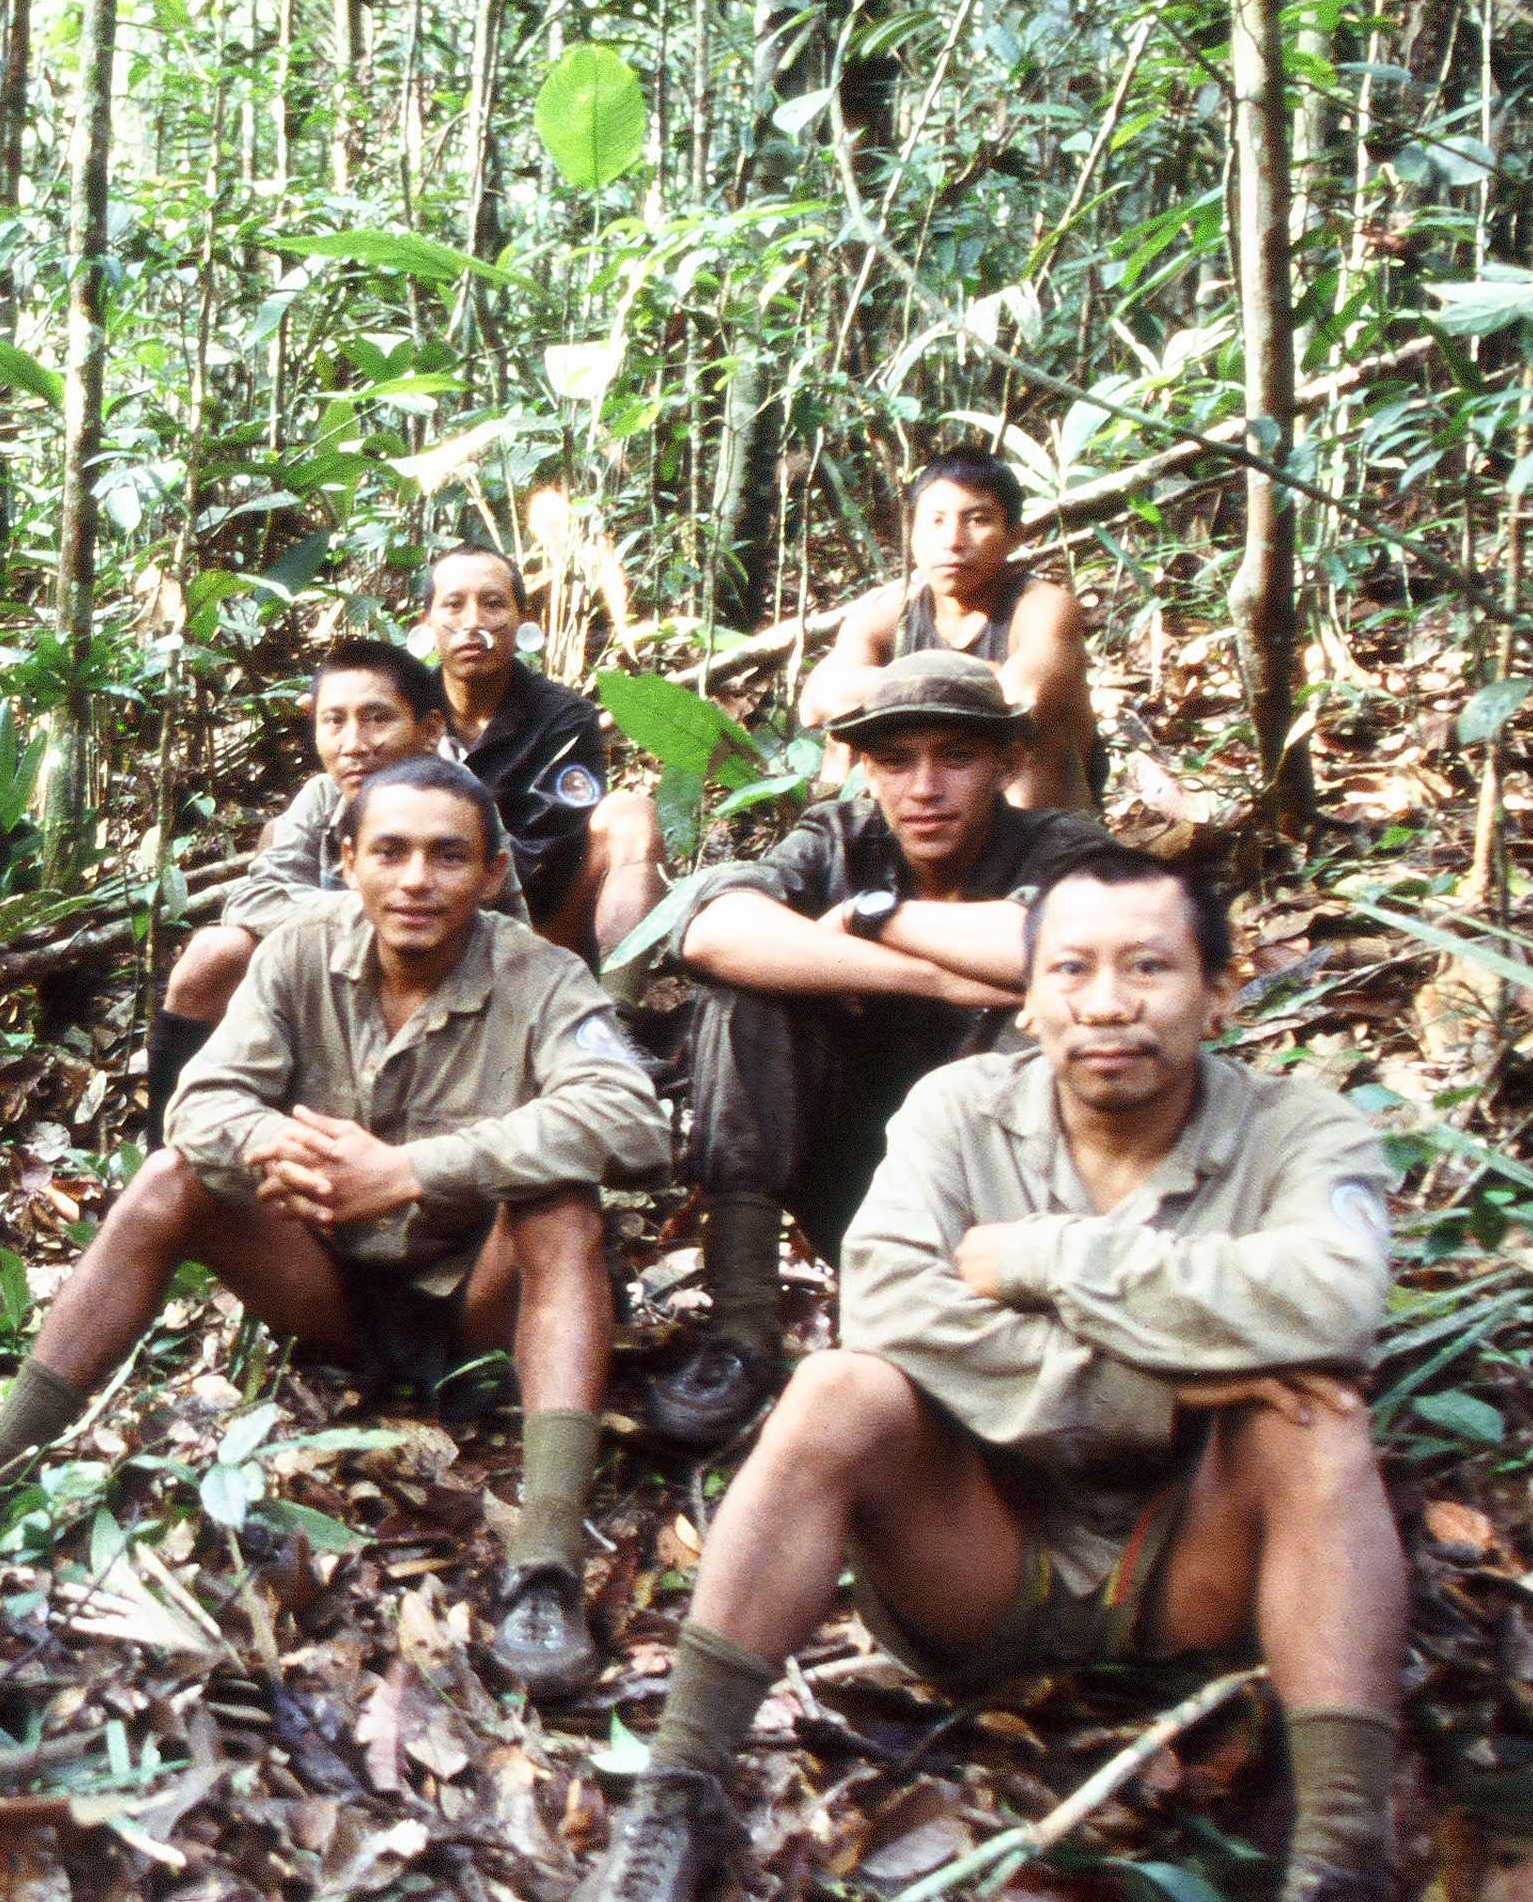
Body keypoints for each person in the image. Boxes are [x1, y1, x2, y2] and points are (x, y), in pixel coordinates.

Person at [586, 849, 1407, 1902]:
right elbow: (887, 1305)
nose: (1105, 1004)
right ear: (1026, 1000)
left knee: (1316, 1420)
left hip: (1191, 1564)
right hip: (976, 1555)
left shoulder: (1298, 1129)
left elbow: (1329, 1302)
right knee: (841, 1385)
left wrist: (1042, 1260)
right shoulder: (956, 1112)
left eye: (1146, 968)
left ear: (1218, 992)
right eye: (1068, 969)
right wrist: (1166, 1380)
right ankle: (675, 1789)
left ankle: (1338, 1855)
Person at [0, 758, 671, 1700]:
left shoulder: (541, 977)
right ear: (348, 861)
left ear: (494, 874)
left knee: (560, 1202)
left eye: (448, 857)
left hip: (481, 1312)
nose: (417, 881)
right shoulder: (300, 951)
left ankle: (543, 1566)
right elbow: (203, 1103)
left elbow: (631, 1121)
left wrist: (412, 1170)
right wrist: (270, 1143)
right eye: (392, 852)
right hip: (329, 1293)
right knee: (170, 1181)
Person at [645, 651, 1109, 1448]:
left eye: (955, 757)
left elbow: (1070, 939)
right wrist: (933, 980)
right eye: (896, 761)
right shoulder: (837, 836)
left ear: (1010, 762)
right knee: (745, 1000)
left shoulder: (1057, 846)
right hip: (851, 1167)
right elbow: (715, 931)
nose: (924, 788)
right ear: (866, 771)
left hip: (998, 1196)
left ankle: (991, 1324)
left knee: (1047, 1010)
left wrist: (875, 915)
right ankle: (743, 1333)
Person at [144, 639, 516, 1147]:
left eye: (376, 718)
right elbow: (252, 900)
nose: (352, 743)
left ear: (429, 731)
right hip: (337, 987)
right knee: (215, 952)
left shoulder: (455, 806)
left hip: (450, 1009)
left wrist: (383, 912)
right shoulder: (322, 797)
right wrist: (374, 909)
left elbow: (492, 939)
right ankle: (169, 1149)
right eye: (333, 721)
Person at [797, 448, 1099, 812]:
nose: (953, 540)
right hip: (924, 801)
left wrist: (892, 687)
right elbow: (818, 701)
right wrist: (980, 676)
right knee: (844, 738)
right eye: (936, 521)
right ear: (912, 534)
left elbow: (1022, 697)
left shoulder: (1041, 605)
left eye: (977, 520)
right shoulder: (887, 611)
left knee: (1033, 738)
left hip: (1023, 816)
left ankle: (1045, 860)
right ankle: (844, 849)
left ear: (1014, 535)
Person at [417, 545, 667, 970]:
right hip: (416, 905)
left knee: (631, 814)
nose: (473, 622)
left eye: (493, 603)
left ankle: (616, 1009)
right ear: (426, 623)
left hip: (540, 921)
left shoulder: (562, 716)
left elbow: (553, 846)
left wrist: (460, 863)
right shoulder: (404, 710)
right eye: (454, 605)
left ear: (521, 620)